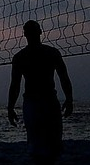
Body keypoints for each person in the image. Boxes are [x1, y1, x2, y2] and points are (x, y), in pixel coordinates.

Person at [7, 20, 74, 165]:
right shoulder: (50, 53)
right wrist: (69, 100)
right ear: (40, 32)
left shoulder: (21, 57)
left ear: (25, 34)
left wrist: (10, 108)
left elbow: (15, 85)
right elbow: (64, 78)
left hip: (38, 101)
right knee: (49, 144)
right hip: (44, 101)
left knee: (40, 144)